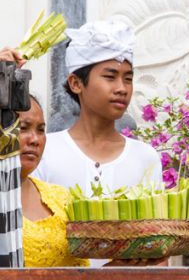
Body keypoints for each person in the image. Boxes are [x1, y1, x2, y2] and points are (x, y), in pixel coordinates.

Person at [33, 18, 162, 194]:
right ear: (76, 83)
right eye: (110, 77)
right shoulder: (45, 152)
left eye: (128, 79)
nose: (122, 89)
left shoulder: (145, 158)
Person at [17, 96, 88, 268]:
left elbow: (81, 273)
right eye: (23, 128)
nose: (35, 139)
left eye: (41, 130)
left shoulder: (61, 198)